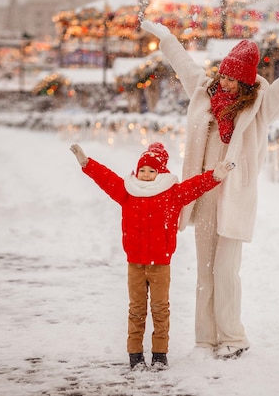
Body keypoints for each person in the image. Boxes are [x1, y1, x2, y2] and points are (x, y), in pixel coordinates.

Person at [141, 20, 279, 360]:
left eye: (233, 78)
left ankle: (233, 336)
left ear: (246, 81)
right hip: (202, 194)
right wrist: (168, 40)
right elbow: (185, 66)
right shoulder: (205, 94)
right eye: (224, 75)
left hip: (234, 198)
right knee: (205, 271)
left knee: (225, 271)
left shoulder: (258, 107)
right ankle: (205, 339)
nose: (226, 82)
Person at [70, 142, 234, 370]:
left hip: (160, 264)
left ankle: (159, 355)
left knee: (160, 309)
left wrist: (215, 176)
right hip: (135, 263)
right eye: (142, 170)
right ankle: (135, 355)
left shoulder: (172, 194)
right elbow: (106, 179)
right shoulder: (128, 192)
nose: (146, 175)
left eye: (151, 171)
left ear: (161, 172)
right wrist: (87, 163)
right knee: (136, 309)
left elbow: (194, 187)